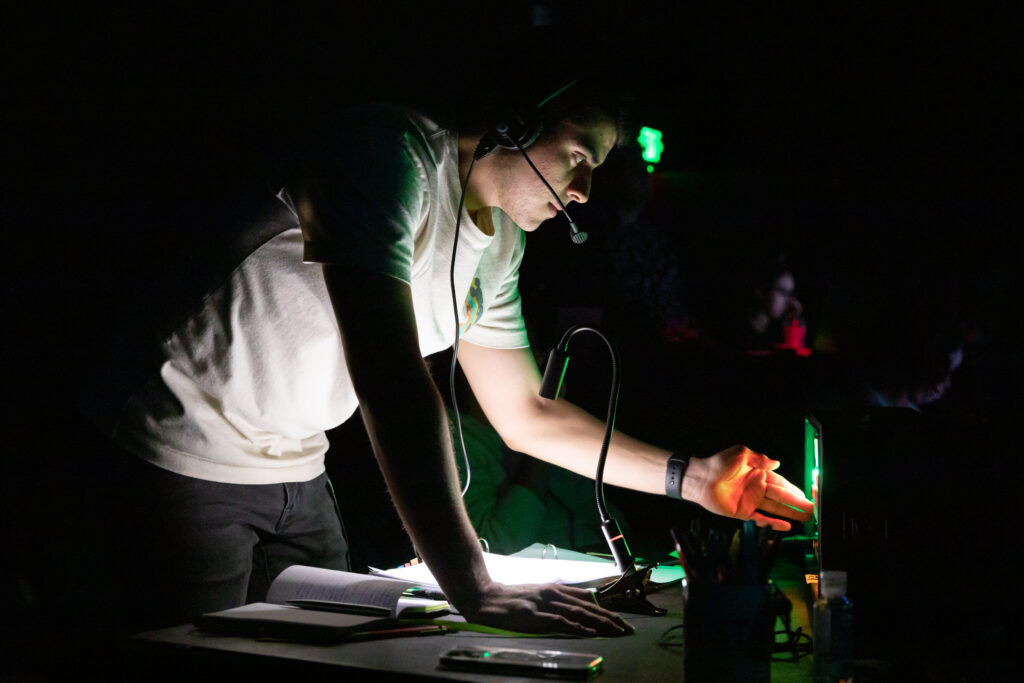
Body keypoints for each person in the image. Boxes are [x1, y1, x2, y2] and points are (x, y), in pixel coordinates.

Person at [96, 73, 812, 639]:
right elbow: (389, 374)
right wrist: (473, 583)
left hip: (298, 472)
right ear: (516, 120)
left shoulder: (501, 243)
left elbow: (526, 412)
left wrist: (695, 478)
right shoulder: (389, 153)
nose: (583, 190)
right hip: (179, 455)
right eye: (577, 154)